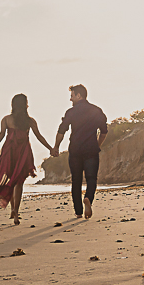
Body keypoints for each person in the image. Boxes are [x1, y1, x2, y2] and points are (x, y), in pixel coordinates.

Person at [0, 94, 54, 225]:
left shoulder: (6, 119)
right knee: (19, 182)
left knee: (11, 179)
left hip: (9, 152)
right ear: (25, 105)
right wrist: (50, 148)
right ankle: (15, 211)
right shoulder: (30, 121)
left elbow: (1, 135)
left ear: (13, 105)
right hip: (23, 152)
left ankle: (13, 210)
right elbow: (39, 136)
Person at [50, 84, 107, 219]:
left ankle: (78, 212)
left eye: (72, 96)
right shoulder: (96, 110)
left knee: (76, 180)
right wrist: (97, 145)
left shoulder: (71, 112)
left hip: (75, 150)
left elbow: (61, 130)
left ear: (79, 96)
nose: (70, 99)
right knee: (91, 178)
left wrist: (56, 147)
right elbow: (104, 131)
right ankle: (88, 198)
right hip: (91, 150)